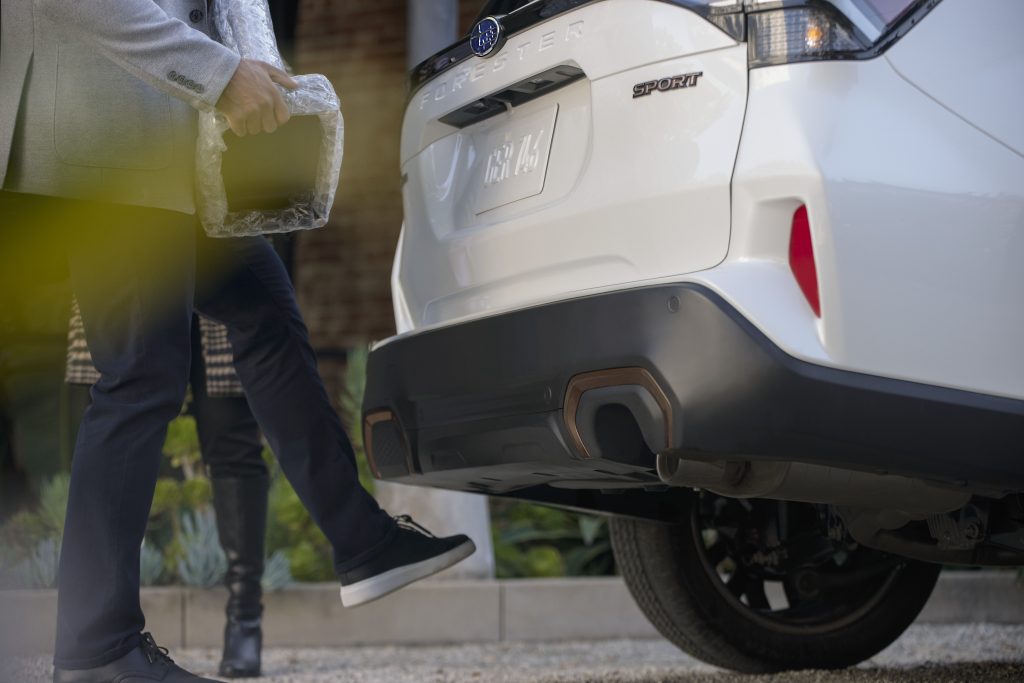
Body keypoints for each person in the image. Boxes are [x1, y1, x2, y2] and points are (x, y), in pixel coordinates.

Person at [0, 2, 476, 682]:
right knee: (140, 370)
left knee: (265, 308)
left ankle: (361, 540)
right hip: (95, 128)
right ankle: (97, 649)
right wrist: (219, 74)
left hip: (155, 131)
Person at [67, 307, 270, 678]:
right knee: (116, 431)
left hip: (216, 275)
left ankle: (245, 617)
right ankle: (96, 636)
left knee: (232, 440)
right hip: (132, 279)